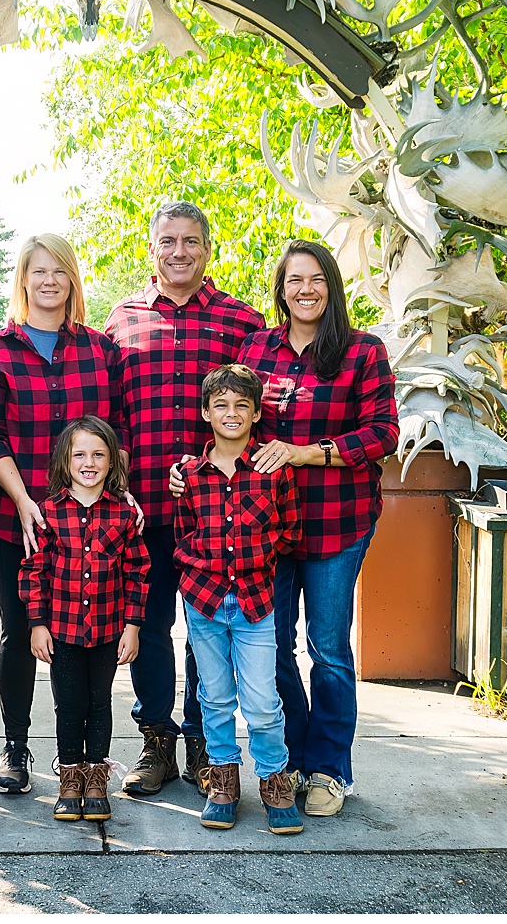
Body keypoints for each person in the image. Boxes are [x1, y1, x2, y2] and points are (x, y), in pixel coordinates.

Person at [228, 239, 399, 818]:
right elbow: (238, 427)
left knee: (328, 650)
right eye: (294, 280)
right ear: (280, 289)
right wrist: (195, 472)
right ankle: (294, 756)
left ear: (332, 285)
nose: (305, 289)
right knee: (271, 646)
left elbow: (382, 434)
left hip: (337, 523)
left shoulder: (363, 352)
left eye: (316, 279)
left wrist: (308, 453)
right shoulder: (256, 350)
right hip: (267, 527)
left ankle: (330, 768)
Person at [103, 200, 264, 796]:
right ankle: (156, 741)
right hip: (141, 508)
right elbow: (110, 415)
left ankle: (204, 740)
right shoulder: (121, 321)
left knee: (207, 628)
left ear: (207, 248)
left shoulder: (240, 323)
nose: (179, 252)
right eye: (168, 240)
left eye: (191, 241)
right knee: (147, 623)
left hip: (215, 515)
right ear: (152, 247)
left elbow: (255, 414)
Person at [0, 233, 126, 796]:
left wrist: (120, 490)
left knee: (82, 637)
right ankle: (16, 747)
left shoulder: (99, 350)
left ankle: (83, 757)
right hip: (16, 518)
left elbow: (118, 431)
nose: (50, 281)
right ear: (23, 280)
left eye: (60, 270)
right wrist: (21, 498)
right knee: (20, 631)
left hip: (90, 523)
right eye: (39, 271)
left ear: (72, 280)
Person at [172, 364, 305, 834]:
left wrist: (258, 557)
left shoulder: (273, 470)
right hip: (204, 601)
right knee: (215, 696)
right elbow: (182, 532)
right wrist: (198, 570)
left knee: (263, 700)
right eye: (221, 406)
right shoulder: (189, 473)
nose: (232, 414)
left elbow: (289, 532)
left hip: (255, 602)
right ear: (206, 413)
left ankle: (274, 780)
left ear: (255, 413)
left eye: (242, 406)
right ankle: (223, 781)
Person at [19, 416, 149, 823]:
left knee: (100, 701)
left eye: (99, 454)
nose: (89, 462)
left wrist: (133, 626)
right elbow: (33, 570)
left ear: (112, 462)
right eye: (80, 454)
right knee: (70, 703)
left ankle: (96, 776)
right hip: (63, 630)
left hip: (110, 630)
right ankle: (70, 777)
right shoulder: (47, 513)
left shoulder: (125, 517)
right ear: (64, 461)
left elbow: (139, 572)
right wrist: (37, 623)